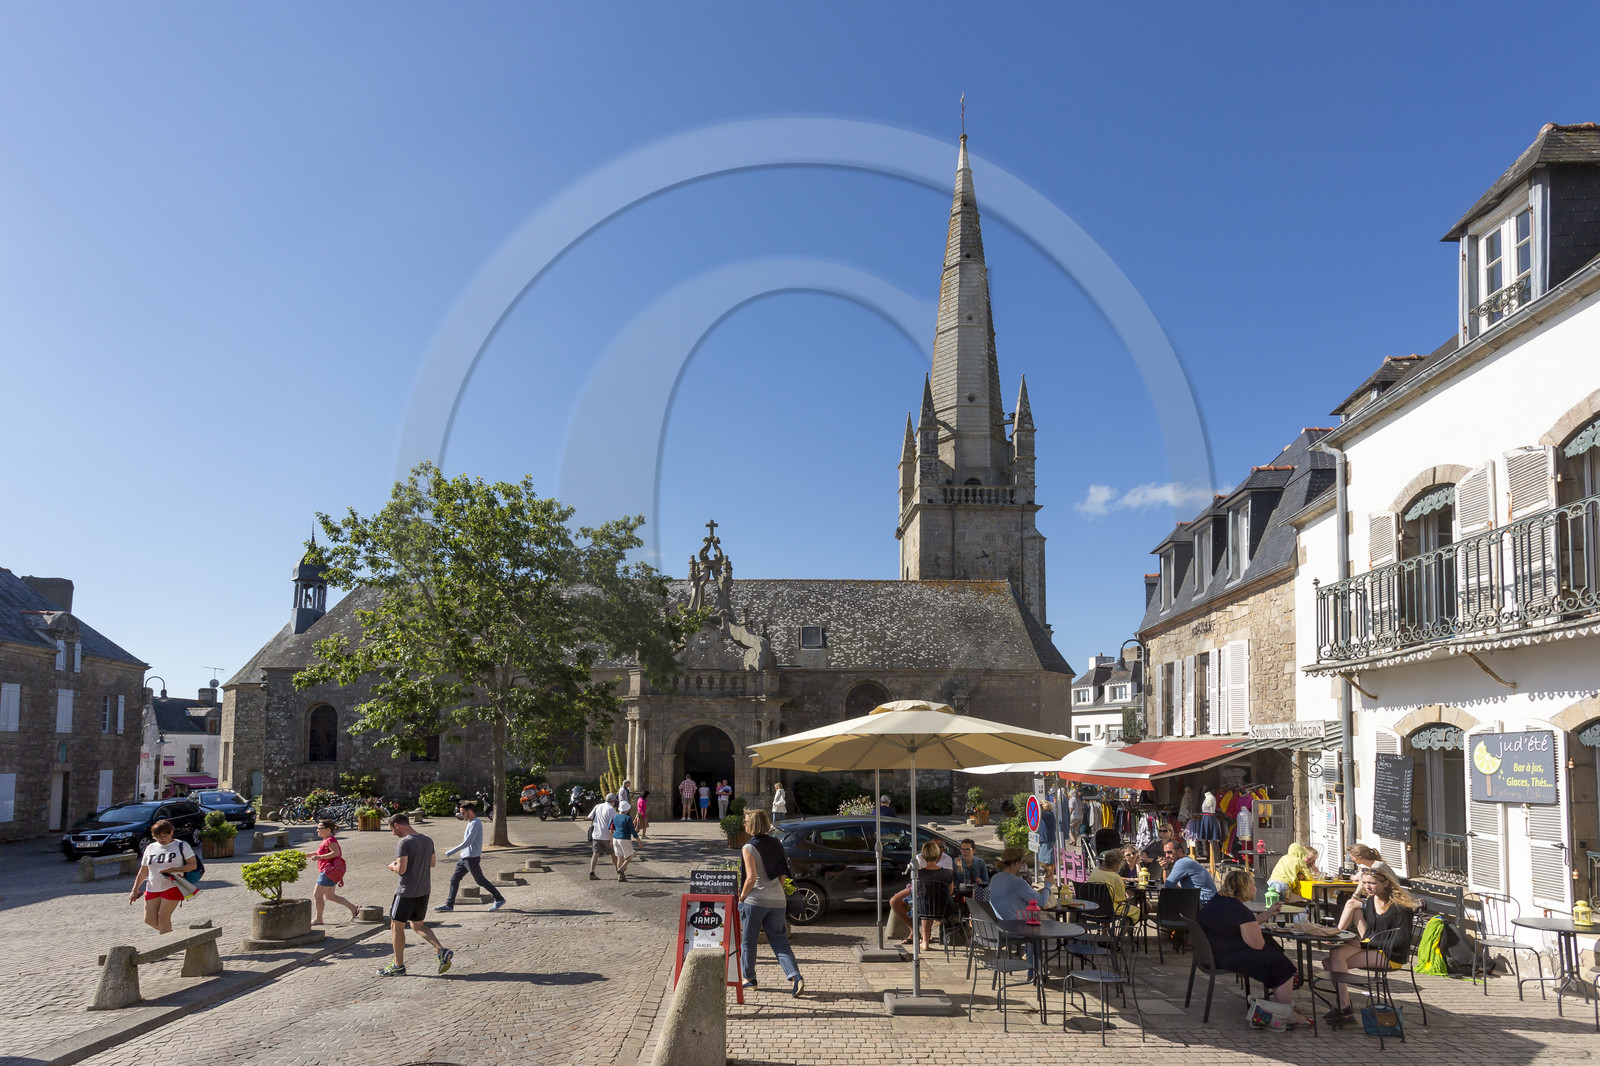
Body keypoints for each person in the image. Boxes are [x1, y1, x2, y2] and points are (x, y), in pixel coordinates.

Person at [1198, 868, 1307, 1029]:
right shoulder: (1238, 909)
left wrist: (1268, 913)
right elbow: (1257, 944)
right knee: (1280, 963)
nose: (1255, 889)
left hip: (1212, 953)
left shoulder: (1218, 901)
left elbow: (1245, 924)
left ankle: (1285, 990)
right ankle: (1285, 1012)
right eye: (1253, 886)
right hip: (1225, 956)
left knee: (1272, 950)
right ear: (1244, 888)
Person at [1322, 866, 1416, 1025]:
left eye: (1372, 883)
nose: (1367, 887)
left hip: (1391, 954)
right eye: (1364, 883)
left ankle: (1344, 1008)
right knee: (1332, 957)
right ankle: (1345, 1006)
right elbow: (1370, 931)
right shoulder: (1372, 900)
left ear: (1385, 883)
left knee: (1333, 963)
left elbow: (1400, 941)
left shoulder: (1400, 907)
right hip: (1371, 945)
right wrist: (1360, 942)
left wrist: (1366, 944)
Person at [737, 808, 804, 996]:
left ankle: (749, 979)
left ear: (752, 824)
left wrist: (742, 897)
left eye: (746, 821)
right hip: (777, 901)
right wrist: (776, 892)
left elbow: (751, 878)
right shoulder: (776, 843)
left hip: (755, 901)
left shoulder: (748, 847)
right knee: (780, 942)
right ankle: (795, 976)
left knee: (748, 942)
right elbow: (783, 874)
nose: (744, 824)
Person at [379, 813, 452, 976]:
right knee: (417, 925)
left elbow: (402, 869)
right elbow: (432, 863)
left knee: (396, 926)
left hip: (406, 892)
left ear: (397, 825)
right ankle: (441, 950)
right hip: (423, 891)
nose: (393, 833)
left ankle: (398, 966)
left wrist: (392, 866)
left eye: (391, 829)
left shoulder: (404, 843)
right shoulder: (427, 840)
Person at [987, 847, 1050, 977]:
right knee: (1035, 932)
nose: (1023, 865)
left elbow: (1012, 897)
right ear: (1016, 864)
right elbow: (1042, 901)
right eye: (1022, 862)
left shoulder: (995, 878)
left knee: (1029, 919)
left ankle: (1027, 954)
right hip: (1011, 927)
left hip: (996, 925)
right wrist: (1048, 885)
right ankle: (1033, 973)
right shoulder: (1018, 882)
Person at [128, 818, 196, 934]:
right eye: (158, 837)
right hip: (152, 887)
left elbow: (193, 865)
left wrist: (174, 869)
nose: (161, 840)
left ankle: (168, 943)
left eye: (164, 836)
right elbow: (143, 870)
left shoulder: (181, 845)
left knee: (163, 917)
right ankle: (172, 936)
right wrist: (135, 889)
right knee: (149, 920)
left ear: (171, 832)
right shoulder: (150, 848)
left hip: (173, 885)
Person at [437, 800, 505, 912]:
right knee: (454, 880)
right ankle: (449, 905)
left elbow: (468, 842)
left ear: (470, 812)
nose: (461, 815)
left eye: (463, 813)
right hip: (464, 858)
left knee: (480, 881)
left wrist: (451, 851)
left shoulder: (475, 823)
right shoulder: (470, 822)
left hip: (471, 859)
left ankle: (499, 898)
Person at [311, 819, 360, 923]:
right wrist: (302, 855)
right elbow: (317, 852)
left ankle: (318, 919)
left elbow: (336, 853)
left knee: (317, 895)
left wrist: (319, 857)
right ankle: (353, 908)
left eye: (319, 828)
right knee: (330, 896)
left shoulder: (330, 840)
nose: (317, 830)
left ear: (328, 829)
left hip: (329, 871)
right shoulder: (326, 839)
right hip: (330, 871)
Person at [908, 841, 954, 952]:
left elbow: (917, 893)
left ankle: (925, 941)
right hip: (944, 909)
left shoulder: (918, 874)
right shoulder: (947, 873)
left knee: (924, 903)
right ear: (938, 854)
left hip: (925, 909)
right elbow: (950, 891)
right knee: (930, 903)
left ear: (923, 856)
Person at [1087, 848, 1142, 922]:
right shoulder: (1115, 877)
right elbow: (1121, 899)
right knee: (1135, 911)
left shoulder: (1095, 871)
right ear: (1117, 864)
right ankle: (1123, 930)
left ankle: (1105, 928)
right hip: (1110, 909)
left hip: (1093, 906)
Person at [1159, 835, 1217, 902]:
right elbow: (1169, 885)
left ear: (1180, 851)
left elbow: (1169, 886)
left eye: (1169, 852)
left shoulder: (1182, 862)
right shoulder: (1186, 861)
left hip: (1203, 901)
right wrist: (1165, 868)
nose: (1166, 856)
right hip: (1204, 900)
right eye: (1165, 853)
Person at [589, 792, 618, 880]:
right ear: (613, 801)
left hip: (596, 835)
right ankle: (618, 870)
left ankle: (591, 872)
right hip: (606, 836)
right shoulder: (611, 809)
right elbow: (612, 825)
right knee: (613, 853)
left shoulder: (598, 806)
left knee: (595, 854)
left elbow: (590, 817)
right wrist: (612, 838)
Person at [612, 800, 639, 881]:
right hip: (624, 838)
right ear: (627, 809)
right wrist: (639, 841)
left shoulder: (615, 816)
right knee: (630, 856)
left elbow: (611, 827)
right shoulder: (627, 818)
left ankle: (620, 876)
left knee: (619, 857)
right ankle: (621, 869)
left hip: (615, 838)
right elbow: (633, 831)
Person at [1037, 800, 1058, 885]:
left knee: (1049, 860)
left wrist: (1037, 806)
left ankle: (1050, 878)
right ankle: (1048, 876)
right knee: (1045, 860)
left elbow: (1039, 813)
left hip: (1047, 840)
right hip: (1045, 839)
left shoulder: (1048, 814)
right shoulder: (1047, 815)